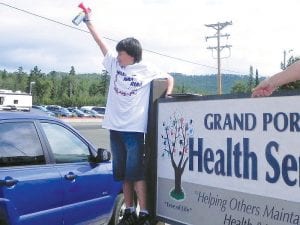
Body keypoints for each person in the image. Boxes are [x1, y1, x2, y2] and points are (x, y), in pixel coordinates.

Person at [83, 14, 174, 225]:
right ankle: (131, 210)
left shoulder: (146, 69)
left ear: (132, 55)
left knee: (137, 173)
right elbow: (100, 43)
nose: (118, 56)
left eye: (121, 53)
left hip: (133, 129)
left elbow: (169, 78)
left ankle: (145, 212)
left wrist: (168, 93)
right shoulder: (115, 65)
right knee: (124, 174)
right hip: (114, 127)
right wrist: (89, 23)